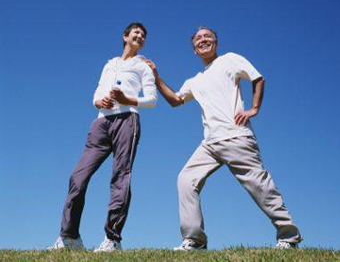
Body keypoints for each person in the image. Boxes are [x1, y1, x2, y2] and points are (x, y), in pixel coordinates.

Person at [146, 26, 301, 250]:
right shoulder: (194, 81)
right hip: (209, 143)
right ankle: (195, 240)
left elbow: (257, 79)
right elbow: (175, 100)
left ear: (216, 43)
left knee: (259, 185)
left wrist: (254, 108)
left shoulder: (230, 60)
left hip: (236, 135)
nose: (203, 39)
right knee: (186, 180)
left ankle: (288, 235)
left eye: (208, 36)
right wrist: (156, 77)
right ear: (194, 50)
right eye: (198, 39)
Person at [48, 22, 157, 252]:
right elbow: (97, 92)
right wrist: (99, 101)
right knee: (78, 177)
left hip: (128, 120)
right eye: (136, 32)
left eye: (144, 35)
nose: (140, 36)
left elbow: (151, 99)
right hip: (101, 123)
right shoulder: (109, 64)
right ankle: (70, 237)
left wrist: (128, 99)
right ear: (125, 36)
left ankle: (112, 239)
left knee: (120, 177)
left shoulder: (144, 67)